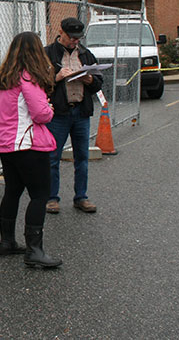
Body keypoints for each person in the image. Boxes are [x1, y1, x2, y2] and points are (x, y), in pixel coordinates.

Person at [0, 31, 62, 268]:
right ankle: (34, 250)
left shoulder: (4, 76)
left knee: (13, 190)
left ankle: (7, 242)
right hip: (26, 143)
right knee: (40, 195)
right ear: (36, 51)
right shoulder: (27, 77)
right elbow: (41, 113)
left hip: (5, 143)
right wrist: (49, 109)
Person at [44, 17, 103, 214]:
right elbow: (38, 83)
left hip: (81, 112)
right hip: (58, 114)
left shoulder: (86, 55)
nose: (75, 41)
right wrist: (56, 77)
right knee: (52, 157)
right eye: (71, 37)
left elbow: (98, 83)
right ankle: (51, 198)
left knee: (82, 157)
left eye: (78, 38)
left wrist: (89, 79)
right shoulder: (48, 53)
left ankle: (81, 197)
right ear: (61, 32)